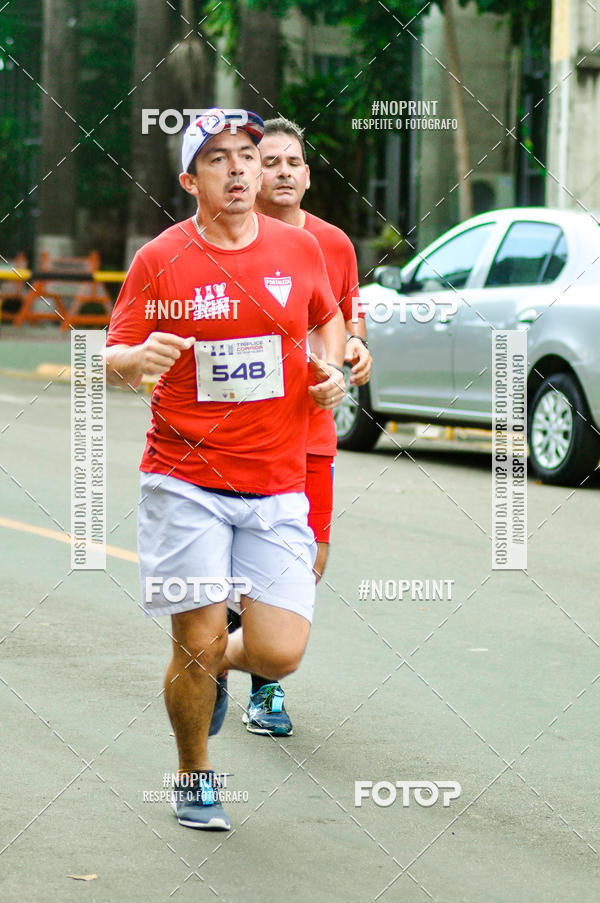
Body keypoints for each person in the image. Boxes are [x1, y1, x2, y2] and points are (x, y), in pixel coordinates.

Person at [104, 108, 346, 830]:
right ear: (191, 179)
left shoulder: (298, 250)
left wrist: (332, 366)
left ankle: (213, 665)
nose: (239, 168)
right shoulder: (160, 259)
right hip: (183, 480)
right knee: (196, 635)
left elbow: (326, 319)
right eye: (218, 158)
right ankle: (192, 772)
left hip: (276, 483)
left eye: (247, 153)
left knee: (280, 650)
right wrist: (131, 361)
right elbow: (110, 350)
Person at [231, 117, 372, 738]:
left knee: (307, 562)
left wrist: (357, 351)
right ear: (252, 173)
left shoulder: (334, 245)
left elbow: (342, 320)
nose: (283, 171)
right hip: (240, 435)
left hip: (311, 429)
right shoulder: (227, 242)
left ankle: (239, 647)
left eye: (294, 162)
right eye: (272, 161)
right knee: (254, 562)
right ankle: (264, 688)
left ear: (308, 176)